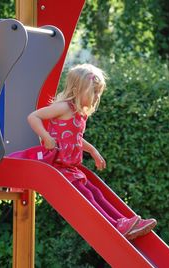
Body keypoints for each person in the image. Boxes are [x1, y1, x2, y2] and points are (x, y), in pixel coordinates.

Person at [11, 63, 157, 240]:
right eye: (93, 92)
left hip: (68, 166)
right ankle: (115, 225)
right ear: (77, 89)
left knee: (95, 192)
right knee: (87, 194)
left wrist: (93, 151)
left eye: (99, 93)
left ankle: (123, 222)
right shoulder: (64, 107)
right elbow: (33, 116)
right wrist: (46, 137)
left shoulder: (79, 114)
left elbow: (76, 138)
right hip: (56, 165)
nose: (96, 97)